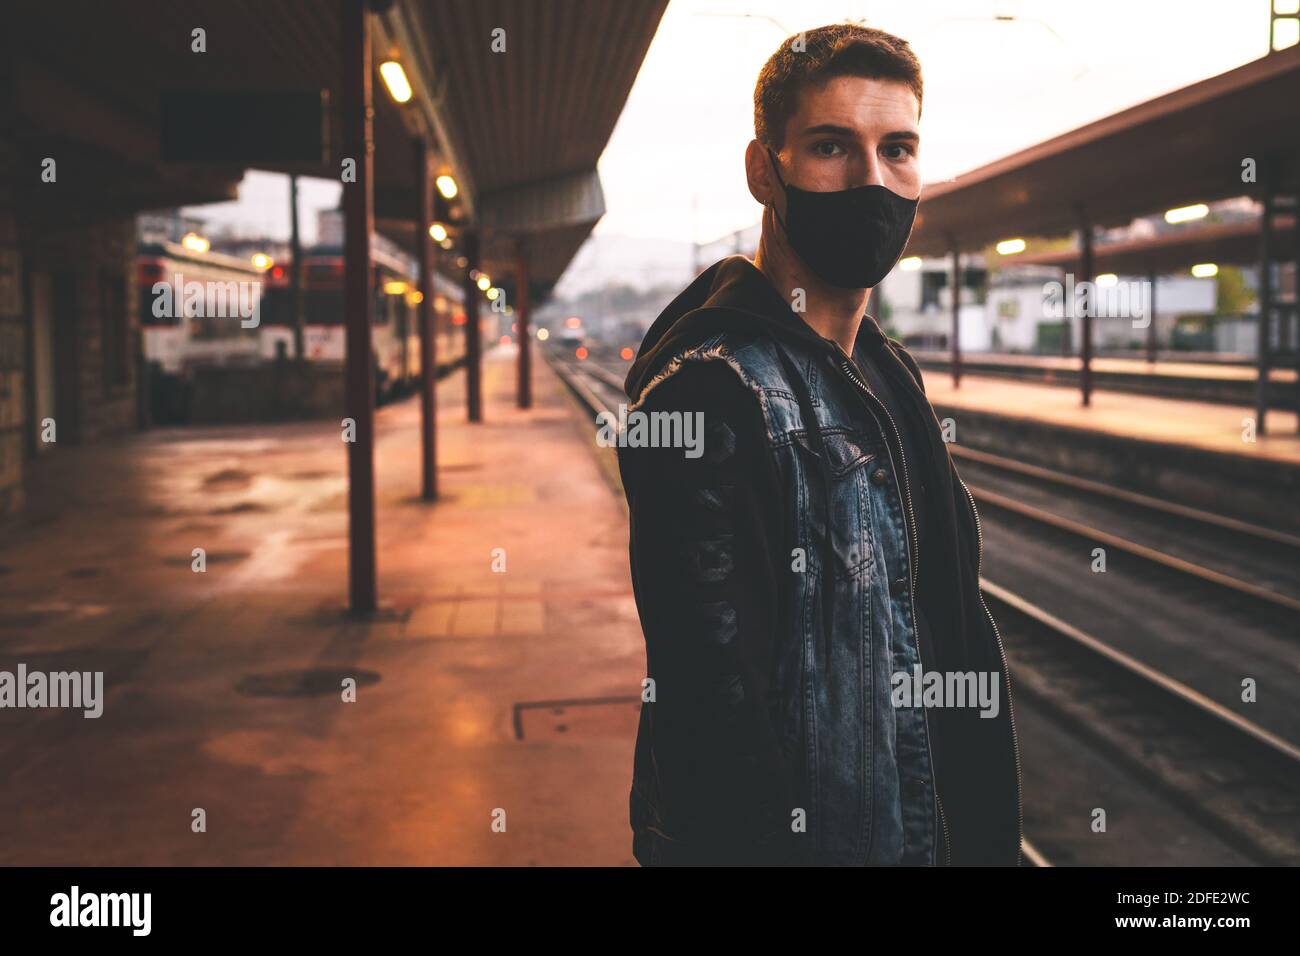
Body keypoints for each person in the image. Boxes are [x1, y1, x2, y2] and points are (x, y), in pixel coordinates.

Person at [618, 22, 1021, 866]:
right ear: (766, 171)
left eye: (898, 149)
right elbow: (715, 732)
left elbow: (944, 635)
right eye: (833, 146)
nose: (873, 182)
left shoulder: (888, 375)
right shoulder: (707, 393)